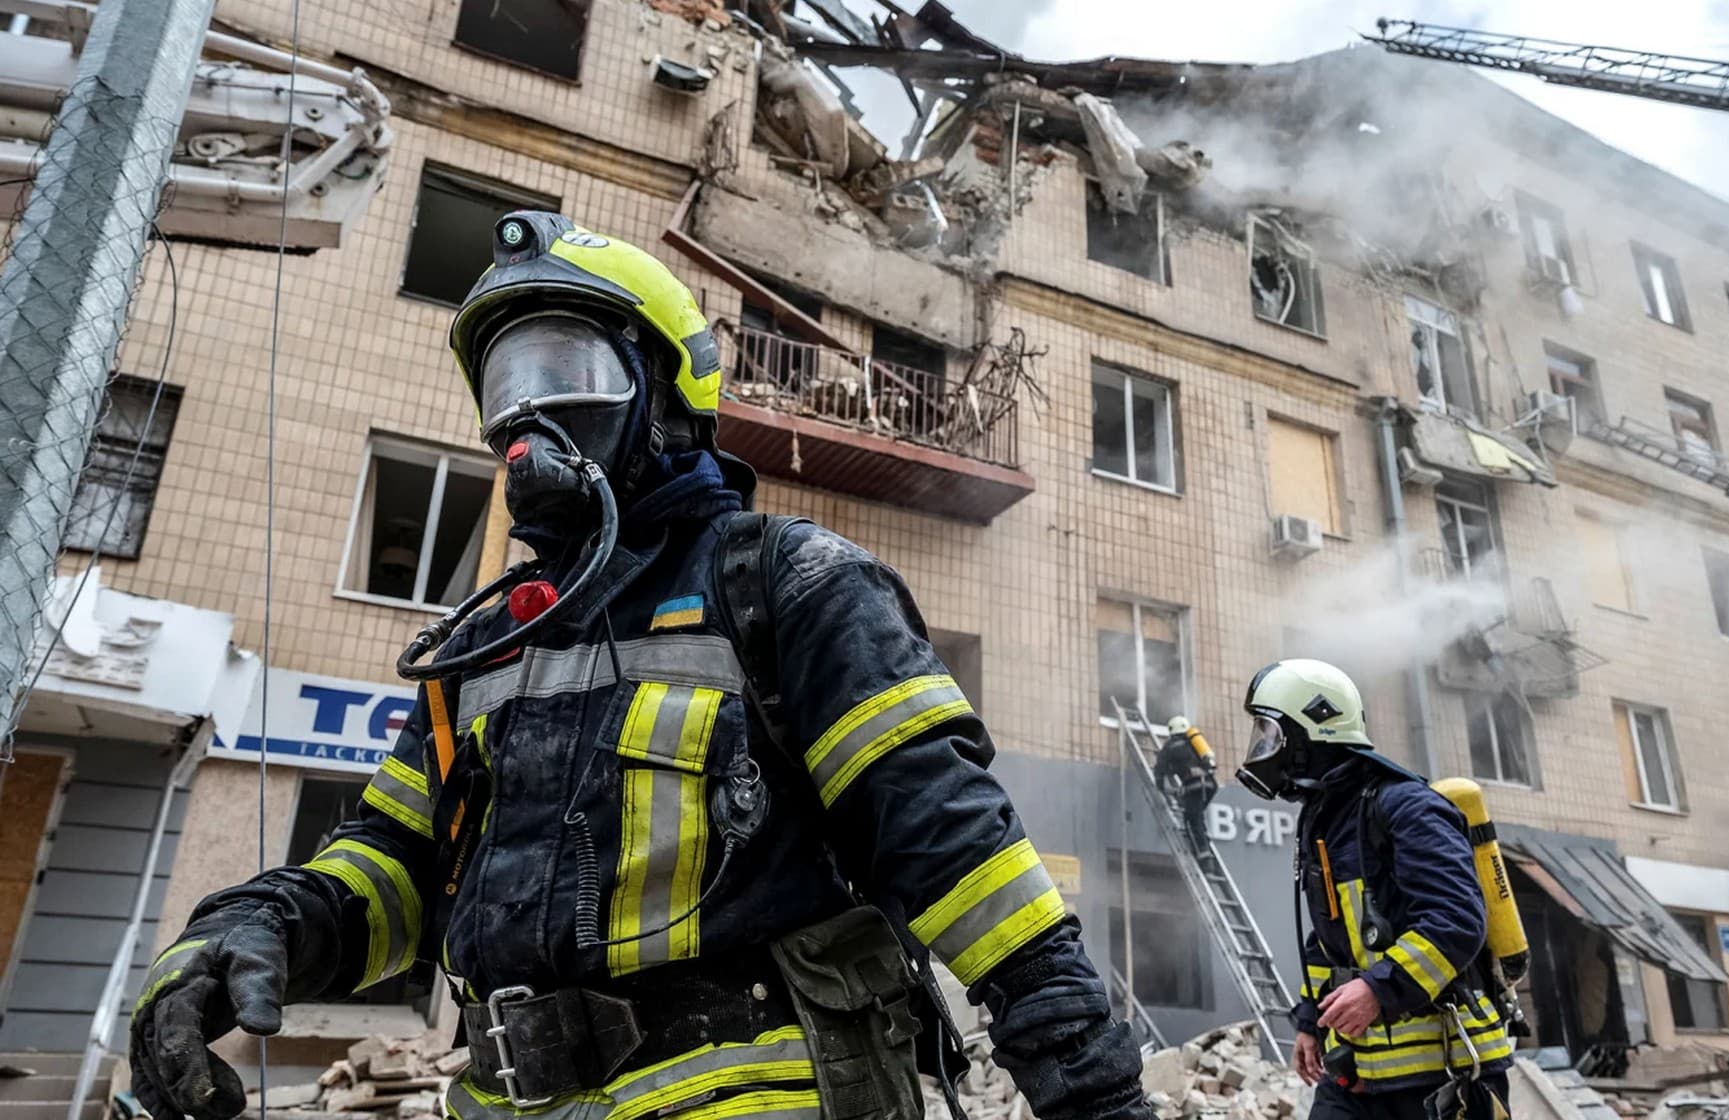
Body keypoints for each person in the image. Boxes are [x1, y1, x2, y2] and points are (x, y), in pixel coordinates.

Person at [129, 212, 1149, 1120]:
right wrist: (256, 924)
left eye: (562, 370)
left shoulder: (783, 582)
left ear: (664, 391)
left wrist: (1086, 1075)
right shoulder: (484, 645)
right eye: (506, 383)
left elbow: (947, 839)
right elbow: (396, 863)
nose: (526, 415)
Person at [1235, 660, 1512, 1120]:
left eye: (1270, 733)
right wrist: (1310, 1022)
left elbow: (1457, 921)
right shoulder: (1327, 819)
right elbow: (1331, 941)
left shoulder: (1409, 807)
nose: (1263, 748)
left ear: (1312, 728)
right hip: (1359, 1076)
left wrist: (1378, 991)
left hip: (1446, 1074)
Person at [1152, 715, 1217, 853]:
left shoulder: (1170, 746)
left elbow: (1160, 768)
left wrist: (1160, 785)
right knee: (1197, 815)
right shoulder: (1194, 743)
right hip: (1210, 785)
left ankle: (1204, 855)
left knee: (1191, 820)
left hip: (1194, 785)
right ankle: (1205, 844)